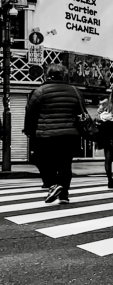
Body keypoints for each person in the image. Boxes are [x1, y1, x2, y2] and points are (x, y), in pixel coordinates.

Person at [24, 64, 87, 205]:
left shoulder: (40, 91)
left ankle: (53, 184)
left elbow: (30, 113)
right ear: (64, 75)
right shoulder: (75, 91)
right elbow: (82, 112)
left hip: (46, 135)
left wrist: (29, 131)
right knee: (65, 164)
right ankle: (63, 195)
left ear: (47, 75)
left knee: (41, 160)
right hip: (70, 135)